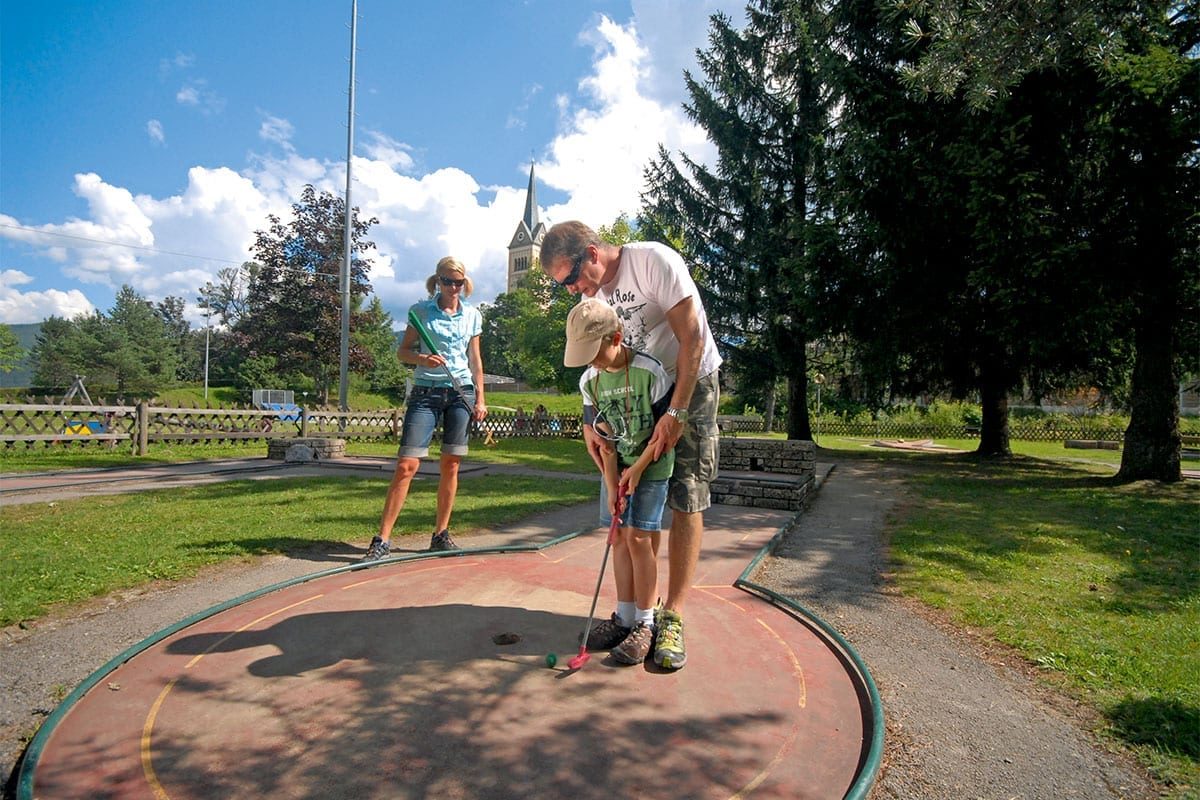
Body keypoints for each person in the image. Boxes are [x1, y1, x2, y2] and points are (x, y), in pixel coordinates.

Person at [541, 221, 722, 670]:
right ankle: (630, 616)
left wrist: (676, 412)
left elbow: (693, 339)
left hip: (688, 384)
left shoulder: (652, 262)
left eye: (569, 279)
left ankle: (671, 616)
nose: (571, 290)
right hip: (632, 394)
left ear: (592, 253)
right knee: (627, 522)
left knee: (686, 494)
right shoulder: (590, 297)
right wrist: (590, 420)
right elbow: (593, 368)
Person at [564, 299, 674, 665]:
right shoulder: (590, 381)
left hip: (653, 464)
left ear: (617, 337)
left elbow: (665, 434)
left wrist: (638, 469)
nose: (592, 362)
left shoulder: (651, 373)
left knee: (640, 538)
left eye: (596, 352)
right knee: (619, 539)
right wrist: (613, 487)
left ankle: (646, 622)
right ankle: (624, 617)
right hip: (618, 464)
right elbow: (606, 444)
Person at [362, 256, 488, 559]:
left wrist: (480, 398)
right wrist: (423, 359)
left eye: (458, 282)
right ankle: (382, 539)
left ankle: (440, 535)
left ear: (464, 283)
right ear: (437, 281)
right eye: (448, 281)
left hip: (460, 393)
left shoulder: (472, 315)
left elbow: (475, 360)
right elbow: (402, 352)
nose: (453, 287)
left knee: (452, 465)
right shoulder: (420, 312)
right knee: (407, 465)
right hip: (425, 393)